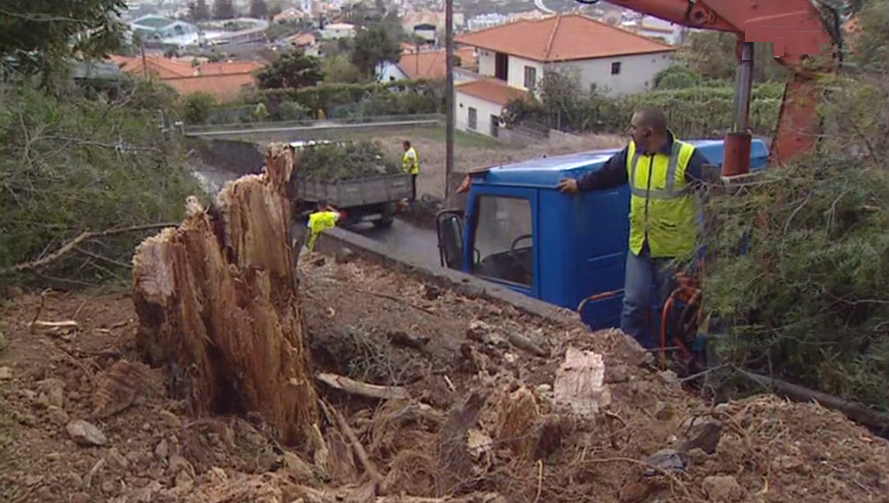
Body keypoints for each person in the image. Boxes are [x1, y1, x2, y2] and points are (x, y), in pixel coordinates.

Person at [557, 107, 710, 348]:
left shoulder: (687, 157)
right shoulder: (632, 153)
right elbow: (607, 174)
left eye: (633, 128)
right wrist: (580, 185)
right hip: (640, 245)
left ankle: (666, 360)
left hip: (674, 252)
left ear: (648, 132)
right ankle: (629, 355)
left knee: (668, 309)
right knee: (633, 302)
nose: (629, 132)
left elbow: (714, 190)